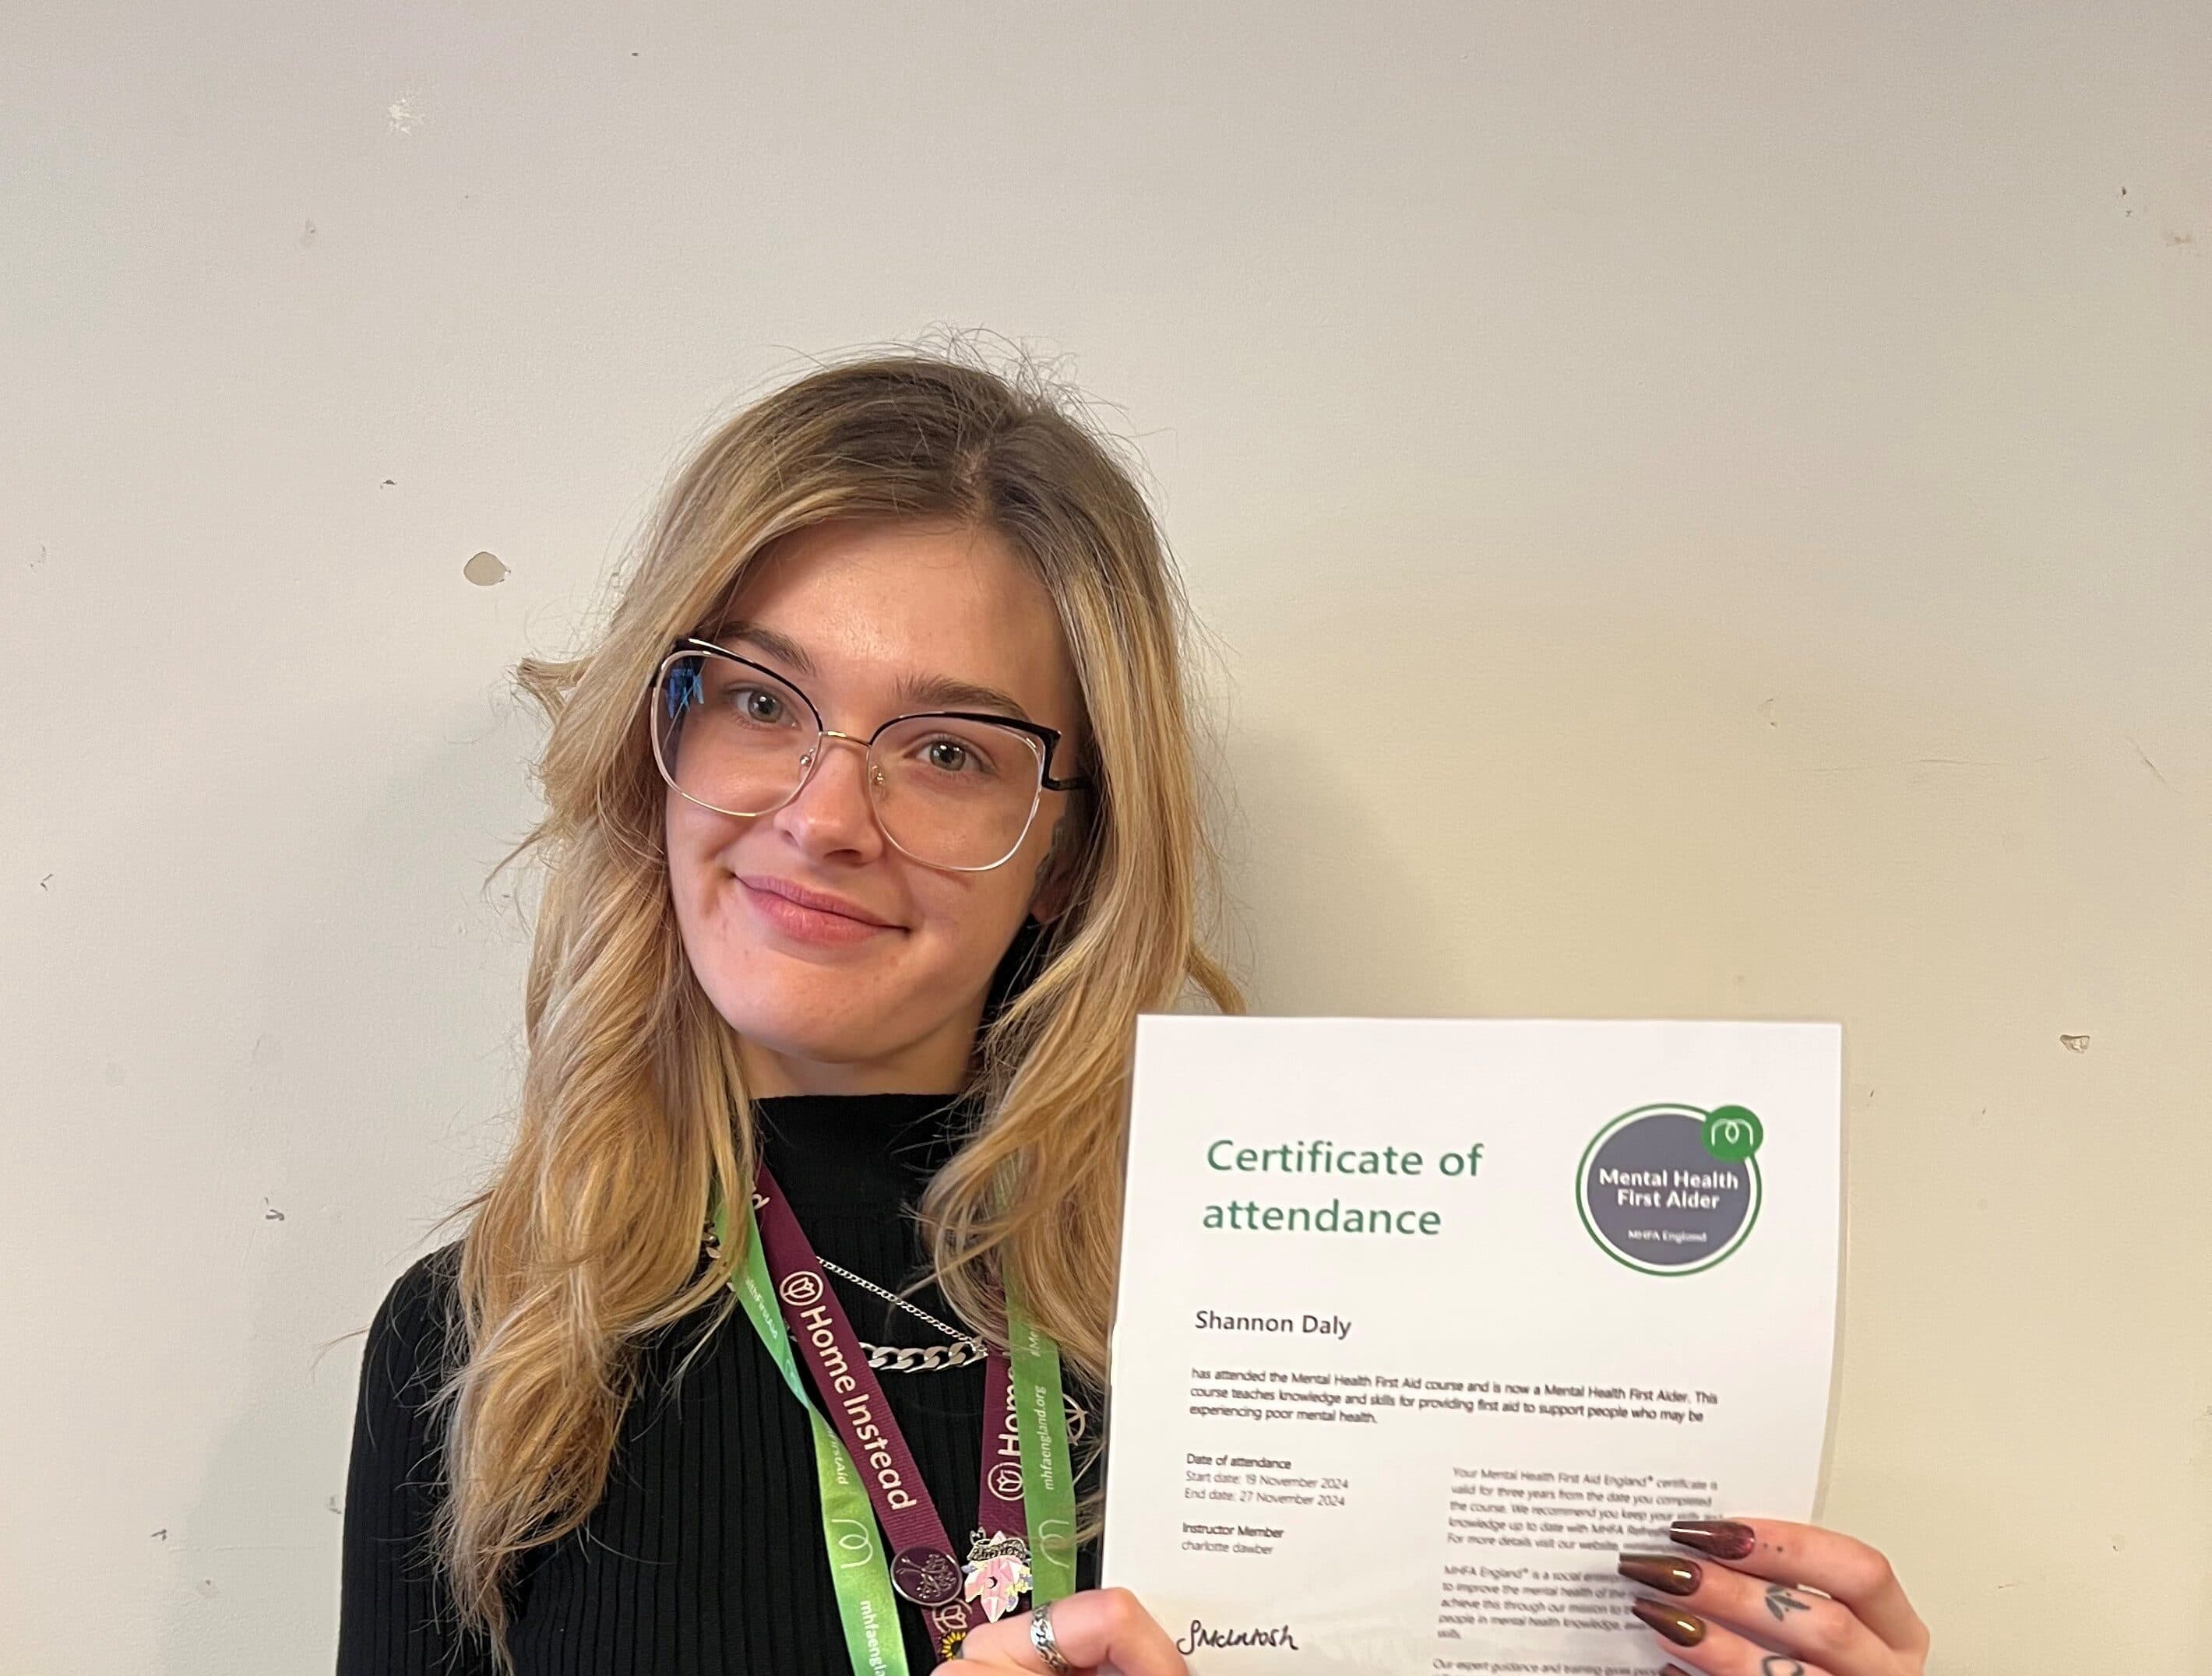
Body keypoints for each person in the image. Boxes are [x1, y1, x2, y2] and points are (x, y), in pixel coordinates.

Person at [336, 347, 1931, 1676]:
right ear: (653, 733)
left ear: (1069, 850)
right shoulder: (490, 1344)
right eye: (762, 700)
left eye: (949, 747)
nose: (827, 813)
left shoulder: (1290, 1307)